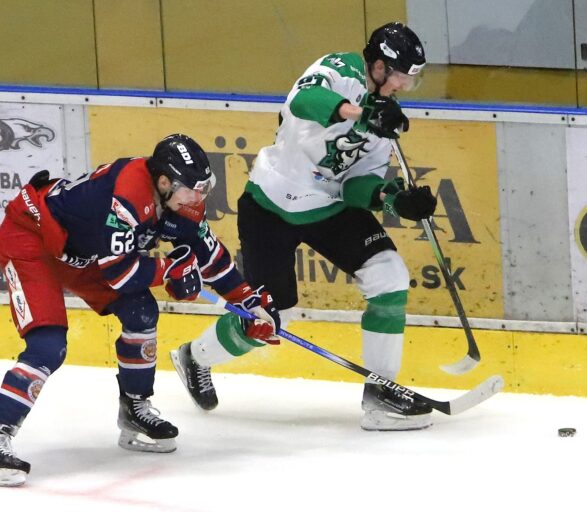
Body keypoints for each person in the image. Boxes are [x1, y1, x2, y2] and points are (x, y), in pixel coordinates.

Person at [0, 134, 279, 487]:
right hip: (32, 240)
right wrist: (168, 272)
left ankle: (134, 410)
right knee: (48, 346)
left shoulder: (181, 200)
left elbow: (208, 255)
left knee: (142, 311)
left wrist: (247, 299)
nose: (199, 197)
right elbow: (119, 273)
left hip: (84, 254)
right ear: (164, 182)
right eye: (192, 189)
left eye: (203, 188)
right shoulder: (130, 194)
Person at [170, 22, 437, 431]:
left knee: (389, 276)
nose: (403, 86)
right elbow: (304, 101)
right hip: (271, 203)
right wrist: (360, 113)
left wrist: (393, 199)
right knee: (272, 317)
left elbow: (355, 184)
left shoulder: (387, 121)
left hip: (329, 207)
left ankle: (381, 395)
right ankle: (195, 356)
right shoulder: (338, 70)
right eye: (401, 76)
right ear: (379, 66)